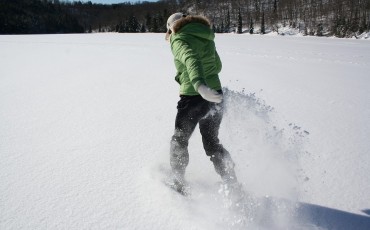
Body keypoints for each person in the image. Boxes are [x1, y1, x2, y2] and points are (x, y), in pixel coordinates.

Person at [166, 13, 238, 194]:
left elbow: (190, 58)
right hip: (216, 96)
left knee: (179, 141)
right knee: (212, 144)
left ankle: (179, 183)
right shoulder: (206, 34)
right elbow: (217, 66)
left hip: (194, 97)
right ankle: (232, 182)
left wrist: (198, 84)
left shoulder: (178, 37)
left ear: (171, 27)